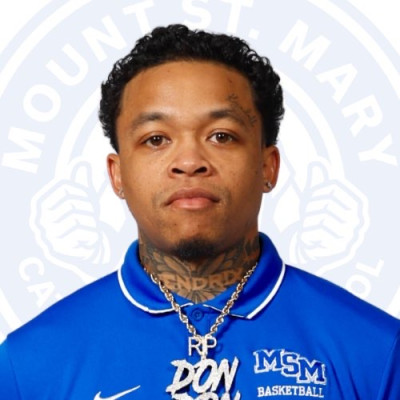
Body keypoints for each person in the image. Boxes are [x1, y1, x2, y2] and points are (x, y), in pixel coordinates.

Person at [0, 24, 399, 400]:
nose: (189, 161)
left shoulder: (379, 352)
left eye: (221, 136)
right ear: (117, 175)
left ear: (268, 166)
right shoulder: (28, 364)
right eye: (156, 139)